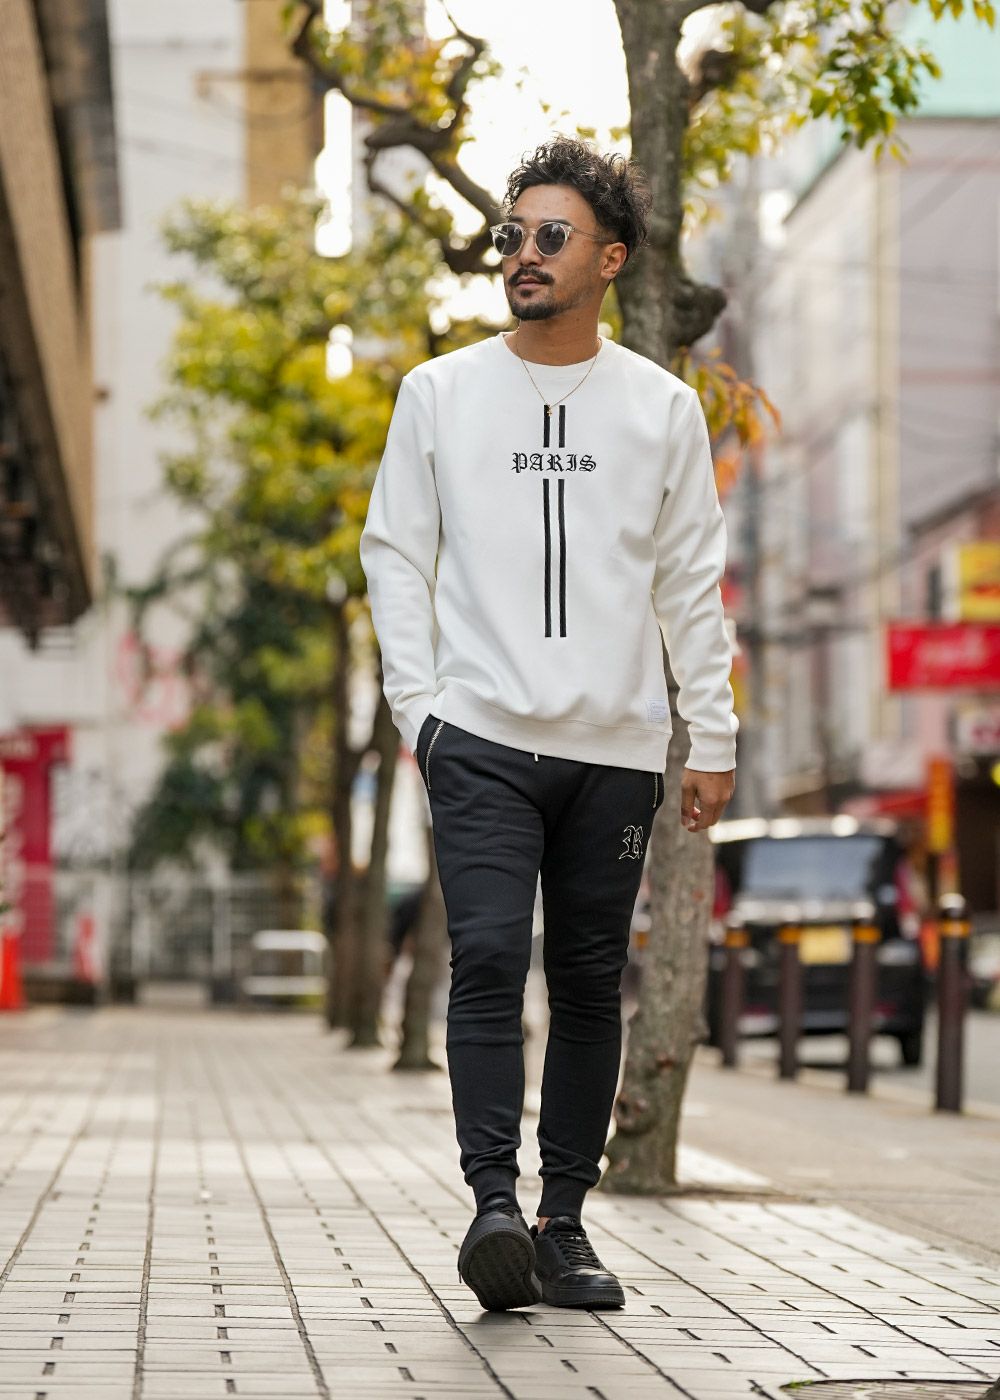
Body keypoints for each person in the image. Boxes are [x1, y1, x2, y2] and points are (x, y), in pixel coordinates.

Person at [359, 136, 737, 1313]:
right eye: (512, 234)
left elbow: (690, 580)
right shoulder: (439, 392)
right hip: (478, 735)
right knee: (484, 958)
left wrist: (711, 734)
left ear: (609, 259)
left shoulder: (662, 408)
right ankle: (492, 1205)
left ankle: (562, 1225)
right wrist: (421, 710)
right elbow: (394, 553)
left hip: (615, 749)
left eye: (551, 235)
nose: (523, 252)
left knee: (584, 981)